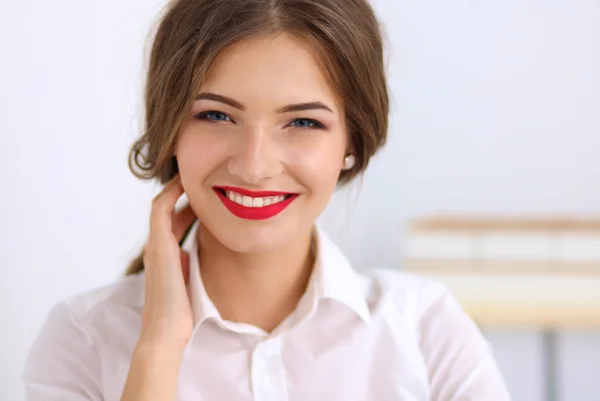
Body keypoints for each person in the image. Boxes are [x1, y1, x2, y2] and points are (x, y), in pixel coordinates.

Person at [22, 0, 511, 400]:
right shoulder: (83, 339)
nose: (254, 166)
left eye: (302, 122)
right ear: (170, 127)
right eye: (216, 116)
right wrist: (157, 349)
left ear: (352, 143)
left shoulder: (426, 330)